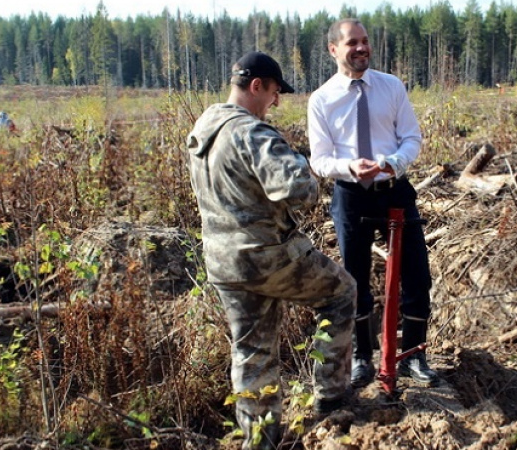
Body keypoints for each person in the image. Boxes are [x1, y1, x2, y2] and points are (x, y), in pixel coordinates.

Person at [187, 51, 356, 449]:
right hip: (267, 257)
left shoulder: (204, 127)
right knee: (341, 292)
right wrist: (300, 161)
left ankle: (260, 440)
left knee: (251, 351)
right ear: (256, 86)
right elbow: (300, 192)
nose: (276, 102)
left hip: (224, 262)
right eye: (275, 92)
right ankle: (331, 397)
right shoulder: (252, 132)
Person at [307, 18, 440, 389]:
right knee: (355, 279)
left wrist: (395, 161)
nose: (362, 48)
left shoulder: (391, 87)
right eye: (353, 43)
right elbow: (319, 160)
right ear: (334, 50)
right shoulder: (321, 100)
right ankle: (362, 358)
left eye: (365, 42)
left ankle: (414, 355)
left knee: (417, 274)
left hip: (395, 190)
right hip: (351, 196)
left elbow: (412, 137)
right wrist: (349, 166)